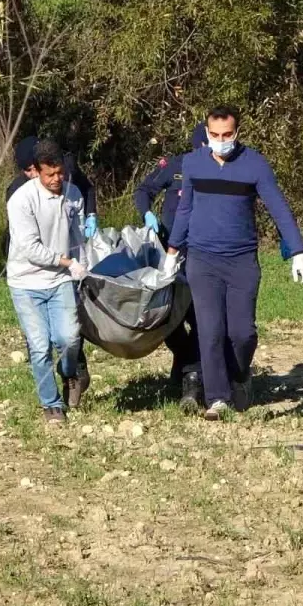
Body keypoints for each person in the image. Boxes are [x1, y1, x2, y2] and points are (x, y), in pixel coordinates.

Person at [167, 106, 303, 421]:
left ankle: (240, 375)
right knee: (210, 331)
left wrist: (298, 250)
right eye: (215, 135)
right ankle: (218, 398)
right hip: (202, 260)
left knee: (242, 333)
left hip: (241, 261)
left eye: (227, 135)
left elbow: (278, 207)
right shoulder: (192, 164)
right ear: (206, 134)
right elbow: (184, 209)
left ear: (238, 132)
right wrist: (172, 250)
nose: (221, 140)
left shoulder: (254, 164)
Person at [6, 140, 89, 424]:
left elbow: (78, 236)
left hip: (60, 281)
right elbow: (31, 248)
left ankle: (69, 374)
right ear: (36, 172)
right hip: (26, 282)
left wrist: (85, 261)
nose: (56, 180)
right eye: (49, 175)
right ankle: (51, 404)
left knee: (69, 339)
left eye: (60, 173)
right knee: (40, 346)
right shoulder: (21, 199)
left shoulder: (73, 194)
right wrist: (68, 262)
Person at [134, 123, 210, 410]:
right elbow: (143, 191)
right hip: (169, 255)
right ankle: (184, 361)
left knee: (201, 317)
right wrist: (147, 214)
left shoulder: (221, 172)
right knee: (169, 318)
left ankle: (193, 376)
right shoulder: (175, 166)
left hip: (203, 255)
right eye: (203, 145)